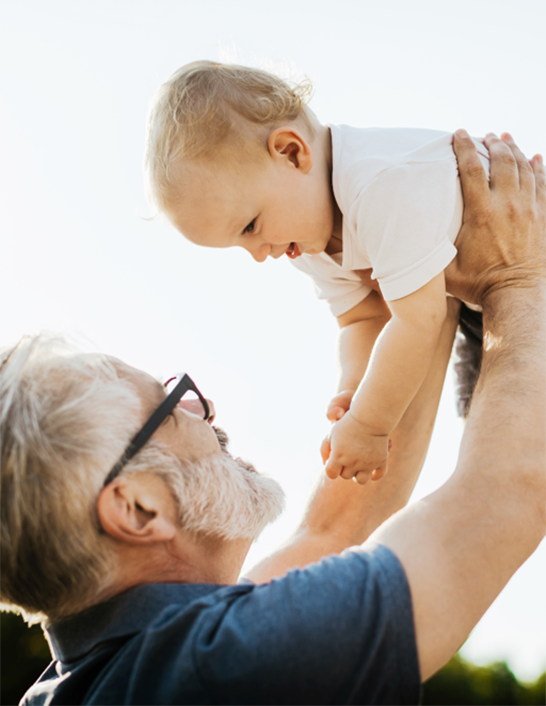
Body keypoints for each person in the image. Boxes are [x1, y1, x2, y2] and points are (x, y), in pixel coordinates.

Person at [0, 131, 544, 705]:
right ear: (136, 507)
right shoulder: (216, 670)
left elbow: (332, 533)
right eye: (169, 404)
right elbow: (508, 491)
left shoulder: (112, 673)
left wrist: (421, 271)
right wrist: (516, 278)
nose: (204, 410)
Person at [144, 61, 494, 487]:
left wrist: (369, 425)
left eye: (250, 226)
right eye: (241, 246)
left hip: (527, 261)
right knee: (491, 433)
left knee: (511, 438)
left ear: (292, 153)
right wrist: (354, 391)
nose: (258, 255)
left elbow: (418, 320)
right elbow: (362, 318)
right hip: (488, 309)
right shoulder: (308, 238)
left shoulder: (378, 187)